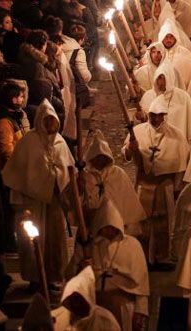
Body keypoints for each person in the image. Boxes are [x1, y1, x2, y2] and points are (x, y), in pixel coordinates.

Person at [1, 101, 76, 293]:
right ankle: (35, 277)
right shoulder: (28, 142)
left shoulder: (60, 142)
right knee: (32, 242)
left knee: (54, 240)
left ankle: (53, 276)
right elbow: (19, 173)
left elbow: (68, 170)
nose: (50, 125)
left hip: (53, 202)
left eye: (53, 121)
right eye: (47, 120)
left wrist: (59, 178)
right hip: (32, 203)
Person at [123, 97, 190, 267]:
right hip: (144, 183)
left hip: (163, 184)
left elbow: (181, 162)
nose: (155, 118)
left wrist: (177, 184)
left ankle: (162, 257)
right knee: (142, 223)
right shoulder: (137, 131)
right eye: (153, 115)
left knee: (162, 223)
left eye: (159, 115)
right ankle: (143, 257)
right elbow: (127, 155)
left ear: (164, 116)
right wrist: (131, 148)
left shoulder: (176, 135)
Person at [88, 201, 150, 331]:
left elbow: (142, 283)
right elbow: (73, 276)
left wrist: (141, 311)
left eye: (112, 226)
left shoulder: (132, 245)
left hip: (123, 305)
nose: (109, 230)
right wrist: (82, 268)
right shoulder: (90, 246)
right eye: (106, 226)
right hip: (96, 304)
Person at [81, 133, 145, 229]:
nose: (100, 160)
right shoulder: (85, 176)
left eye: (102, 157)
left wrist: (125, 219)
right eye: (97, 157)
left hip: (116, 225)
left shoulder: (117, 173)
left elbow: (126, 200)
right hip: (91, 223)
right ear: (91, 157)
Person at [51, 266, 122, 330]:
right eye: (73, 300)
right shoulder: (61, 319)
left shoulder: (106, 321)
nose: (76, 304)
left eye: (78, 299)